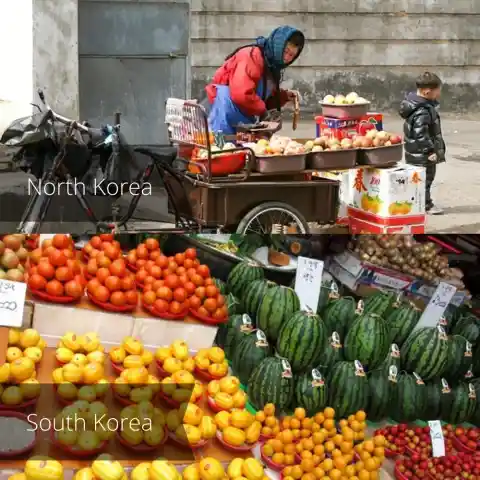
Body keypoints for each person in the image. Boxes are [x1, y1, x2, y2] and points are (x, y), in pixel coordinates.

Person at [204, 26, 305, 134]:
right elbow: (241, 94)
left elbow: (263, 97)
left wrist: (284, 97)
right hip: (222, 111)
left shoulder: (272, 65)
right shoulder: (251, 56)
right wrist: (264, 113)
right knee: (221, 147)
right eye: (286, 51)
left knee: (241, 148)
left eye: (292, 55)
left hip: (241, 116)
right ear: (278, 46)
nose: (287, 58)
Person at [399, 72, 446, 215]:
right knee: (425, 180)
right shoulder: (422, 111)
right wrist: (430, 151)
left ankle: (415, 202)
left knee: (418, 180)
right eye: (438, 90)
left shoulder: (417, 105)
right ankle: (426, 205)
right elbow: (421, 135)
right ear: (427, 91)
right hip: (422, 155)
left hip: (415, 152)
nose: (439, 93)